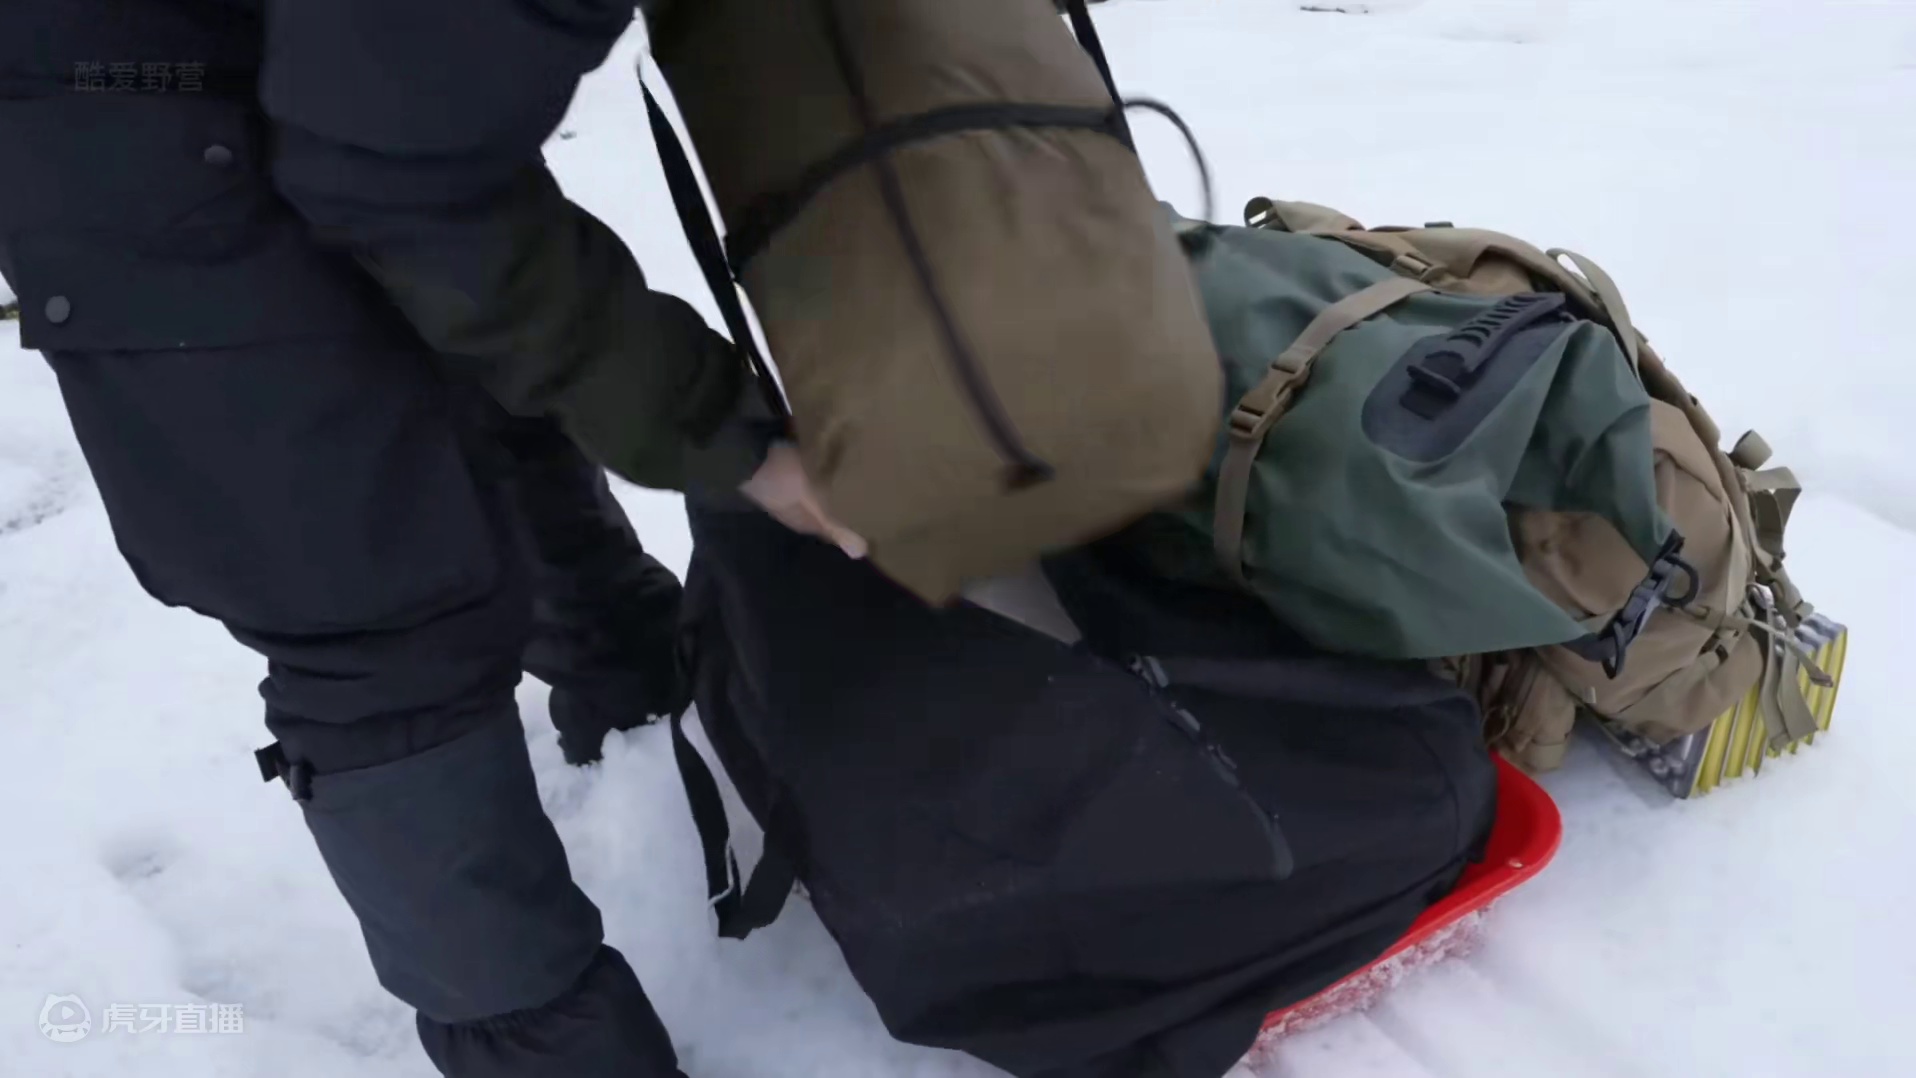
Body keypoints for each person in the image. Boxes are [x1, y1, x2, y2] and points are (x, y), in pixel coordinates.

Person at [0, 1, 854, 1075]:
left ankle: (644, 708)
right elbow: (392, 168)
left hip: (270, 71)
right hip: (122, 141)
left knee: (494, 396)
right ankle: (553, 1055)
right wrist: (730, 440)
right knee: (365, 620)